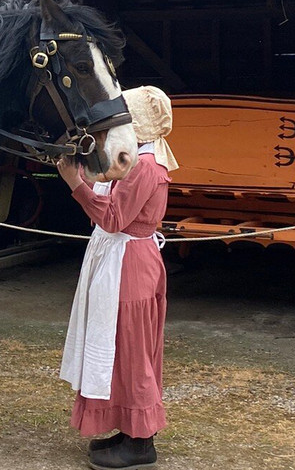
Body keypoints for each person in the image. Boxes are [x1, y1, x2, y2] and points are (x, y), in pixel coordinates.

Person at [57, 85, 178, 470]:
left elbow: (112, 218)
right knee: (122, 351)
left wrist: (75, 185)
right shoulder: (138, 158)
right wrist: (80, 173)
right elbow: (111, 203)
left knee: (132, 351)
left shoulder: (146, 166)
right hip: (125, 260)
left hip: (130, 266)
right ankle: (129, 428)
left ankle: (142, 443)